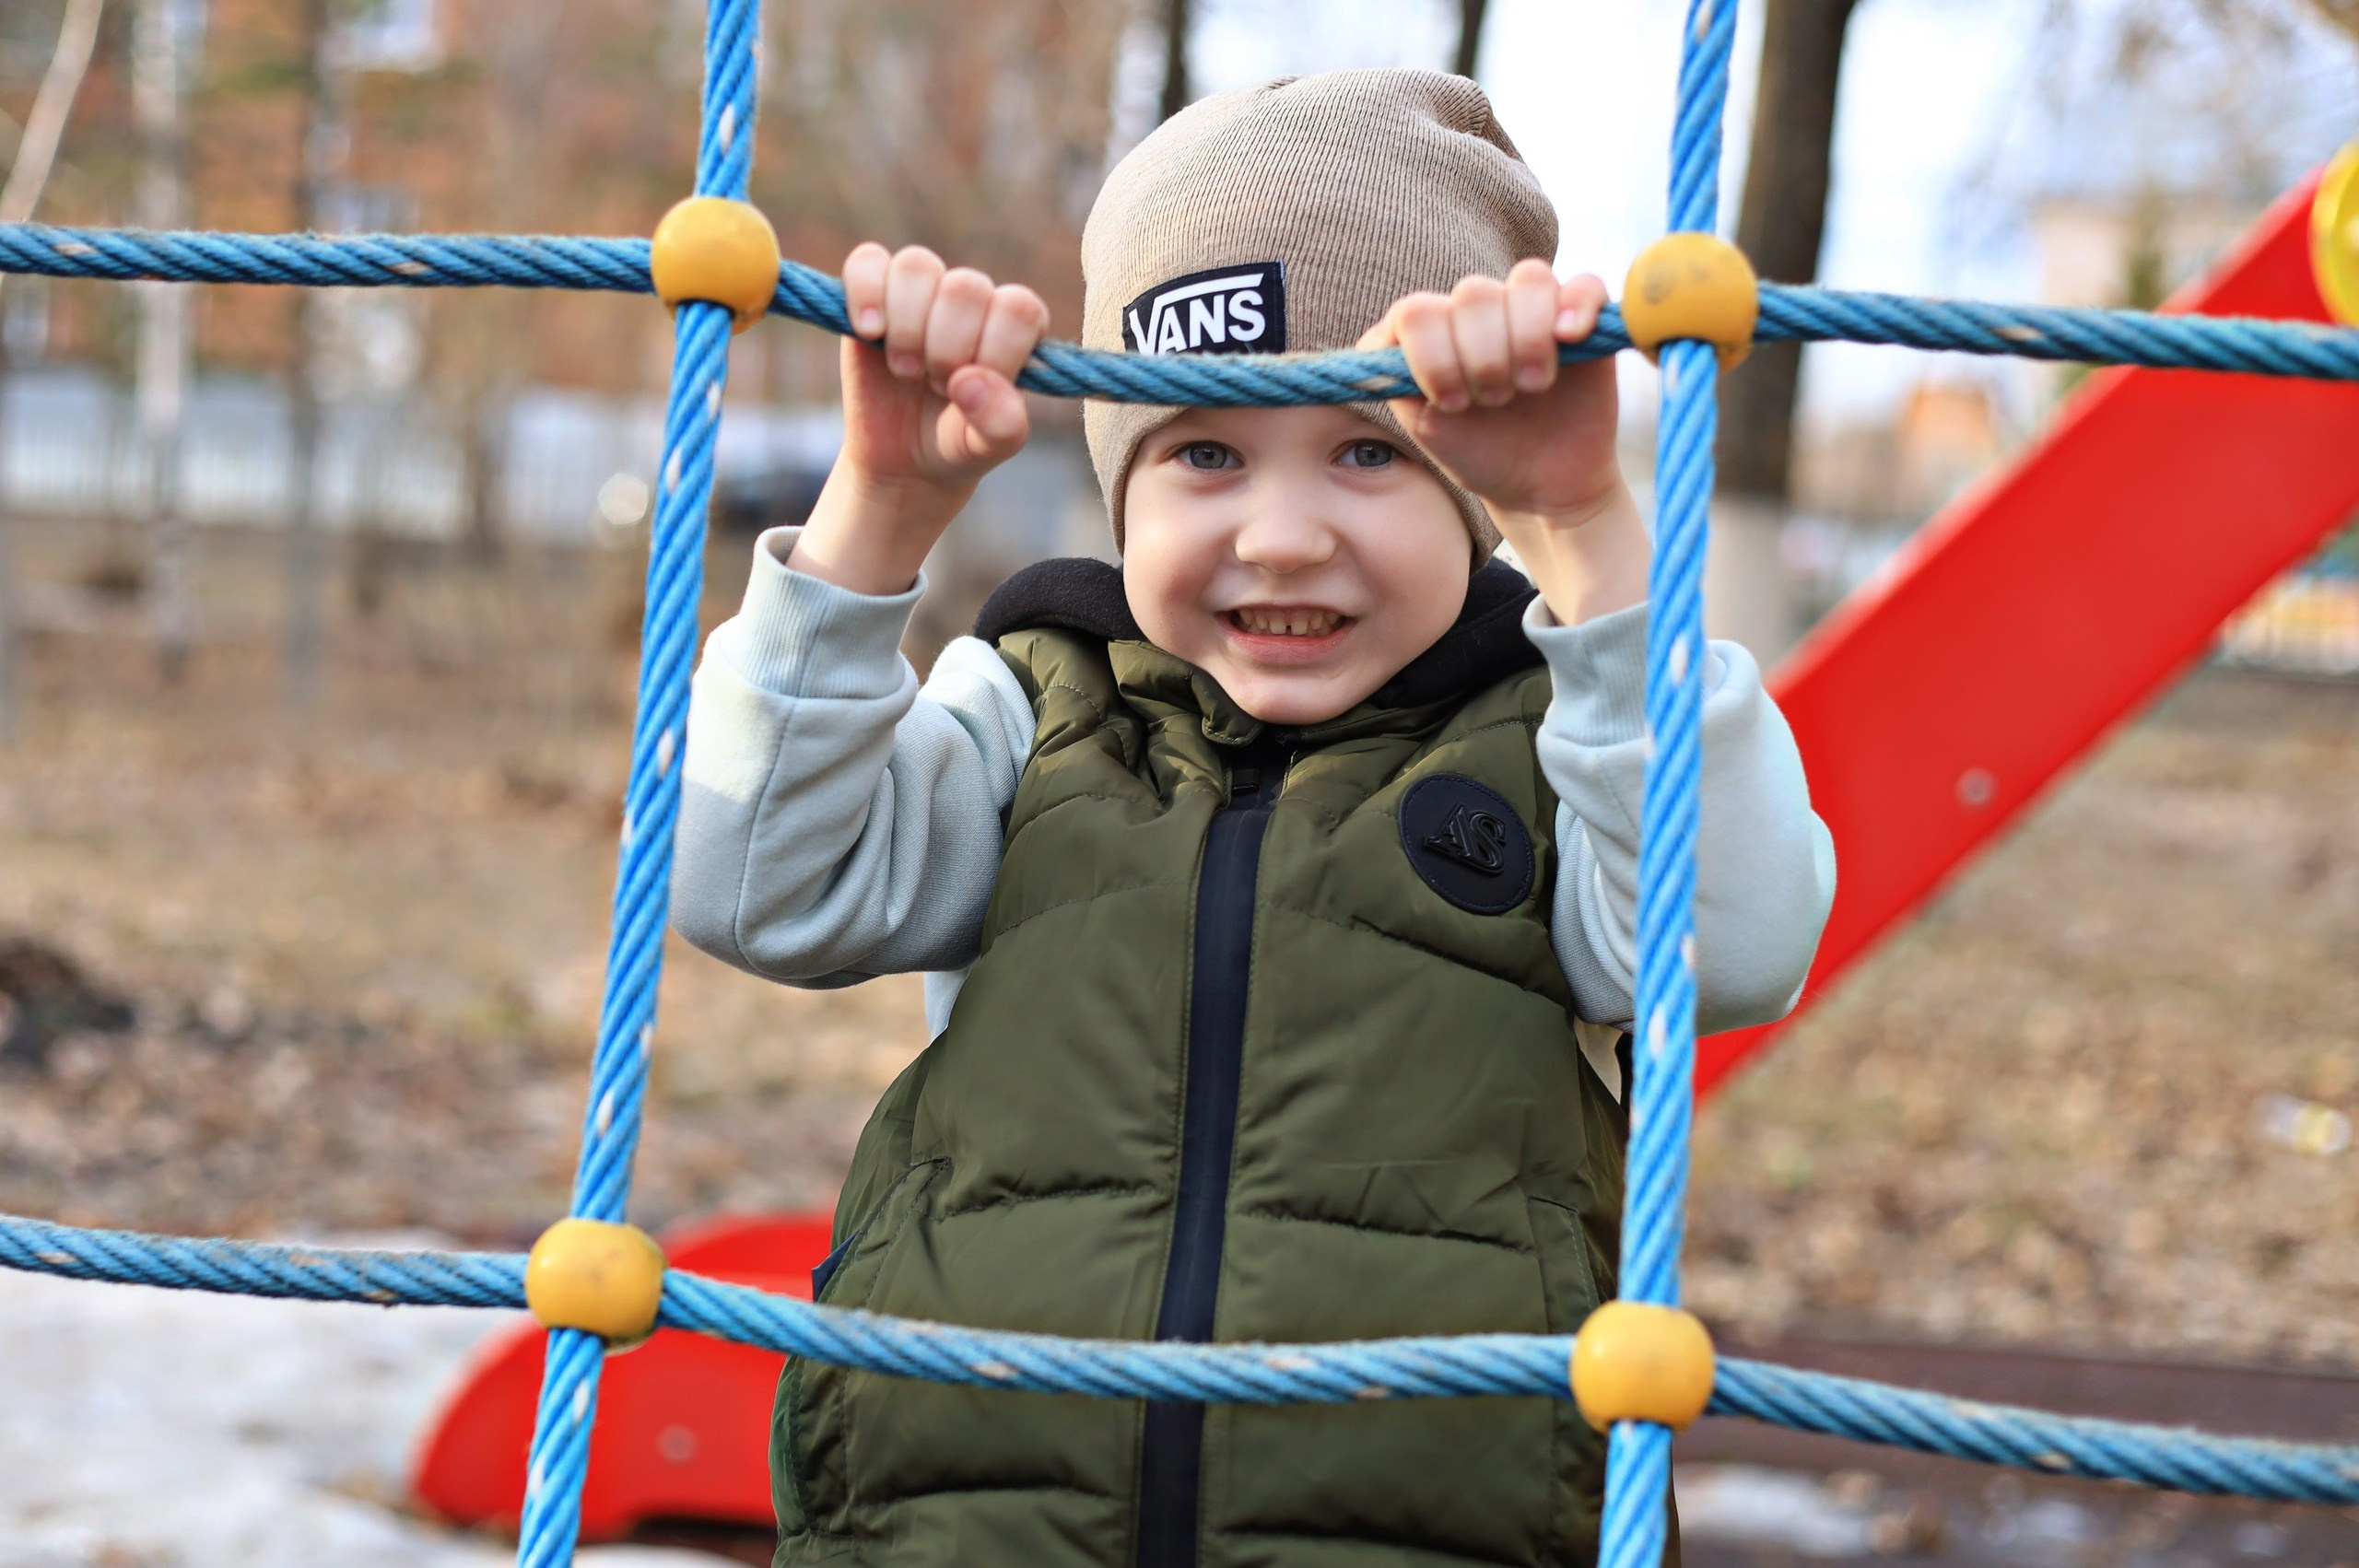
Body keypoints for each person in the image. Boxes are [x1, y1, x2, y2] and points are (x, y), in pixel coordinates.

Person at [672, 68, 1834, 1568]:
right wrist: (877, 511)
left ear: (1474, 489)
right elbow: (752, 884)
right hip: (973, 1521)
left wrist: (1584, 528)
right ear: (1122, 491)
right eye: (1205, 453)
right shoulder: (1032, 713)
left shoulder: (1561, 745)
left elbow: (1731, 942)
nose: (1283, 535)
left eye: (1370, 451)